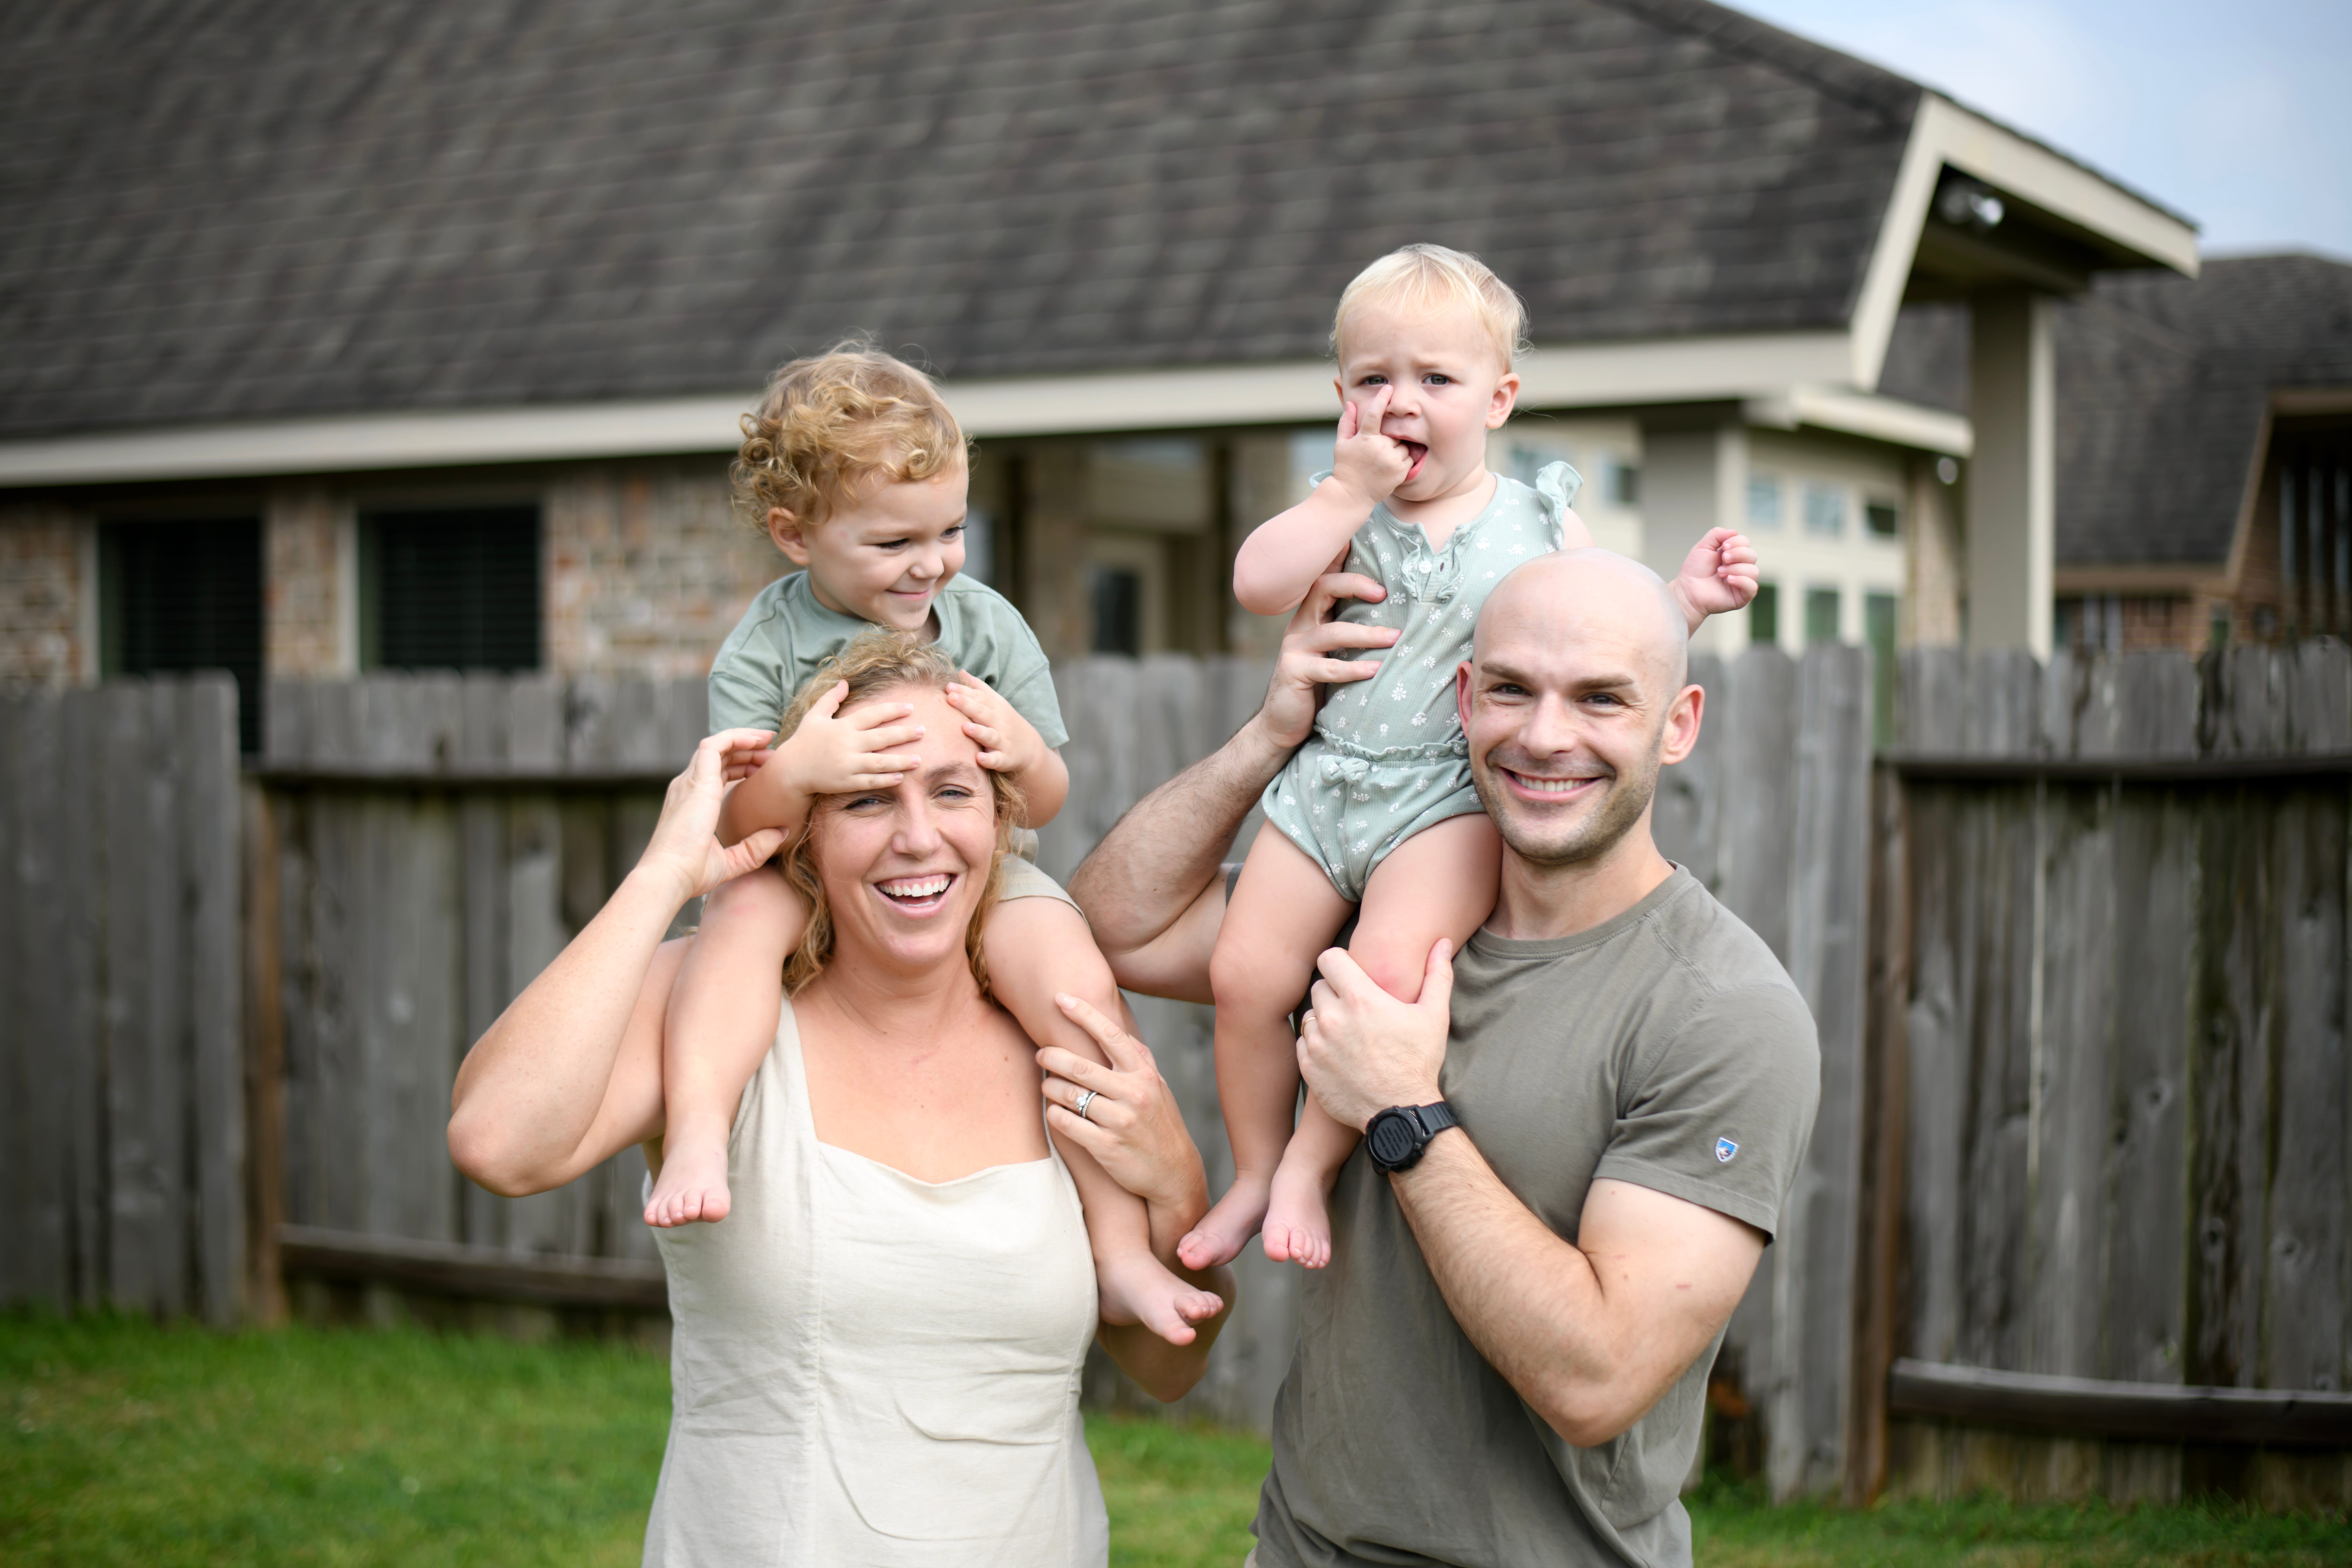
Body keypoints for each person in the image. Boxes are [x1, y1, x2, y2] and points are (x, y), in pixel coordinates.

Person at [1069, 553, 1820, 1567]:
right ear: (1463, 698)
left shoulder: (1720, 1011)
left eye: (1602, 699)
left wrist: (1401, 1110)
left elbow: (1597, 1381)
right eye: (1511, 688)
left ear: (1677, 724)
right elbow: (1114, 925)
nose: (1545, 735)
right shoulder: (1379, 914)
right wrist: (1271, 735)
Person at [448, 634, 1233, 1566]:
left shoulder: (1058, 1030)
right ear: (806, 829)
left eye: (952, 791)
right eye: (868, 800)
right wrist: (666, 872)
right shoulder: (723, 1018)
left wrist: (1180, 1188)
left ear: (998, 815)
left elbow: (1168, 1367)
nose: (918, 837)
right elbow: (500, 1141)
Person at [1189, 244, 1758, 1272]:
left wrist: (1684, 605)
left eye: (1434, 380)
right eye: (1374, 380)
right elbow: (1256, 585)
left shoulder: (1537, 520)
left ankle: (1309, 1170)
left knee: (1386, 974)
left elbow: (1600, 632)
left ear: (1497, 400)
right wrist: (1341, 496)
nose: (1400, 401)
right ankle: (1250, 1170)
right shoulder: (1341, 509)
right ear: (1340, 397)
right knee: (1243, 971)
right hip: (1325, 784)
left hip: (1442, 804)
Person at [643, 346, 1217, 1348]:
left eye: (952, 530)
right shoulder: (765, 648)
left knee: (1072, 981)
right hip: (794, 867)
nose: (932, 563)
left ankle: (1120, 1246)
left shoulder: (983, 626)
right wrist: (804, 765)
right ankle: (696, 1134)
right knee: (733, 925)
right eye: (894, 540)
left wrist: (1021, 748)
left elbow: (1044, 795)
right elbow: (739, 824)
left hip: (976, 868)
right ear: (796, 536)